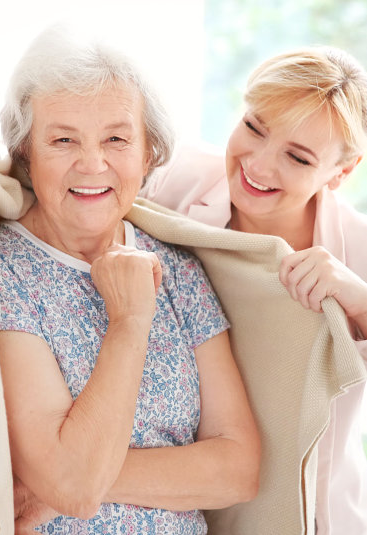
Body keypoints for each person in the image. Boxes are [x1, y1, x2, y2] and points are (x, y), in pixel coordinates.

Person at [0, 27, 260, 534]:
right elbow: (73, 485)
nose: (92, 163)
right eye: (63, 140)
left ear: (149, 152)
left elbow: (239, 470)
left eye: (116, 138)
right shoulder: (0, 270)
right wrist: (129, 320)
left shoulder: (177, 268)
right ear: (25, 151)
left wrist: (74, 482)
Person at [141, 47, 367, 534]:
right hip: (191, 495)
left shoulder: (359, 248)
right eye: (254, 127)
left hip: (313, 513)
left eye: (297, 157)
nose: (259, 166)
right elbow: (71, 172)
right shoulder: (179, 177)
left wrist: (359, 298)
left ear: (341, 173)